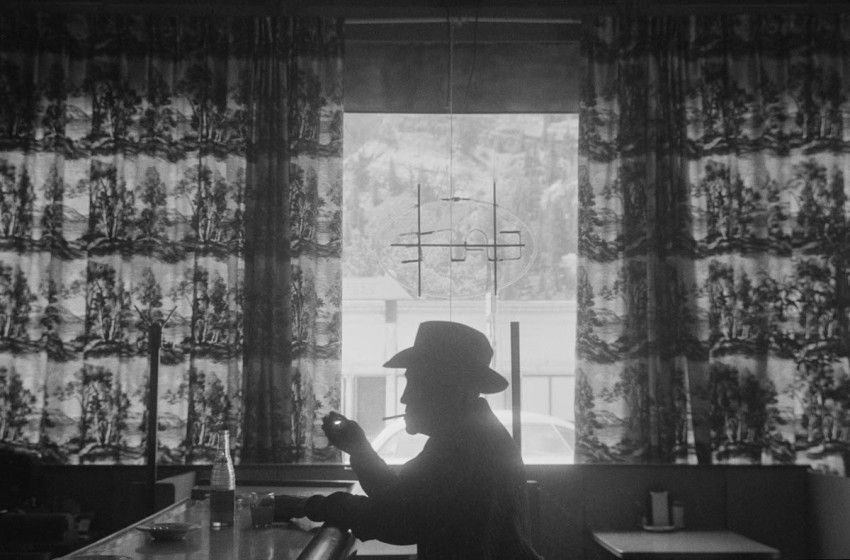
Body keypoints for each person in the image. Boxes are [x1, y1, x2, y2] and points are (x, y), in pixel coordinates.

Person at [274, 321, 543, 560]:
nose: (404, 398)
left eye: (416, 383)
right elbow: (403, 499)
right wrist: (359, 448)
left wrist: (306, 506)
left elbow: (395, 520)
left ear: (449, 388)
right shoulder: (474, 433)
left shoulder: (463, 445)